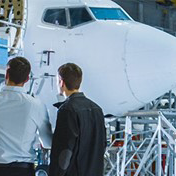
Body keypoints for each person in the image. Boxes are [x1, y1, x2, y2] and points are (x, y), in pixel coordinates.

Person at [49, 63, 106, 176]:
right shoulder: (97, 109)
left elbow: (64, 151)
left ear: (61, 82)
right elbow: (102, 145)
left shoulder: (67, 110)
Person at [0, 57, 52, 176]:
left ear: (7, 74)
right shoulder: (36, 105)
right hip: (22, 170)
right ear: (27, 78)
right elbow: (48, 142)